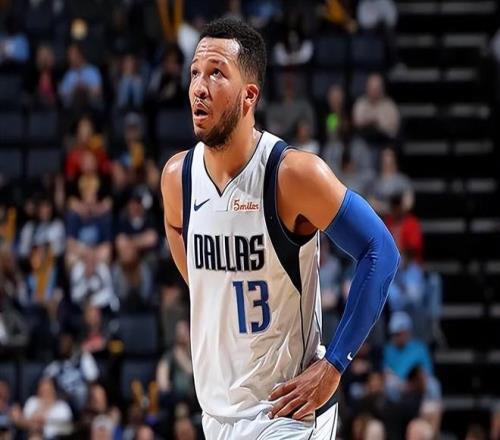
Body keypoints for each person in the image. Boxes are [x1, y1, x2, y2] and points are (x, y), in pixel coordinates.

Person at [161, 18, 399, 439]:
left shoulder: (292, 174)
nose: (198, 87)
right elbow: (181, 238)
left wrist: (335, 364)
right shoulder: (177, 177)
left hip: (288, 413)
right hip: (217, 415)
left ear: (249, 95)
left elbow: (380, 250)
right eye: (195, 73)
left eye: (216, 73)